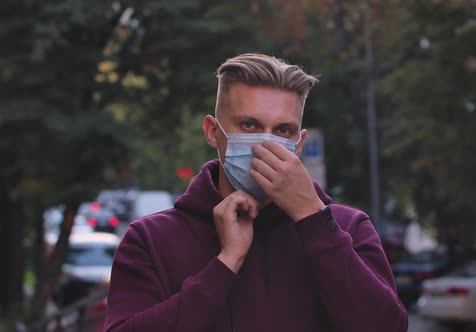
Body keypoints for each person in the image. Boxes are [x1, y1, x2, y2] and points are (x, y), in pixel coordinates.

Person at [105, 53, 408, 332]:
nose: (265, 143)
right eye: (249, 125)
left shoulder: (348, 228)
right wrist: (225, 264)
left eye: (282, 131)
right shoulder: (151, 239)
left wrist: (312, 219)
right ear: (213, 132)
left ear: (299, 144)